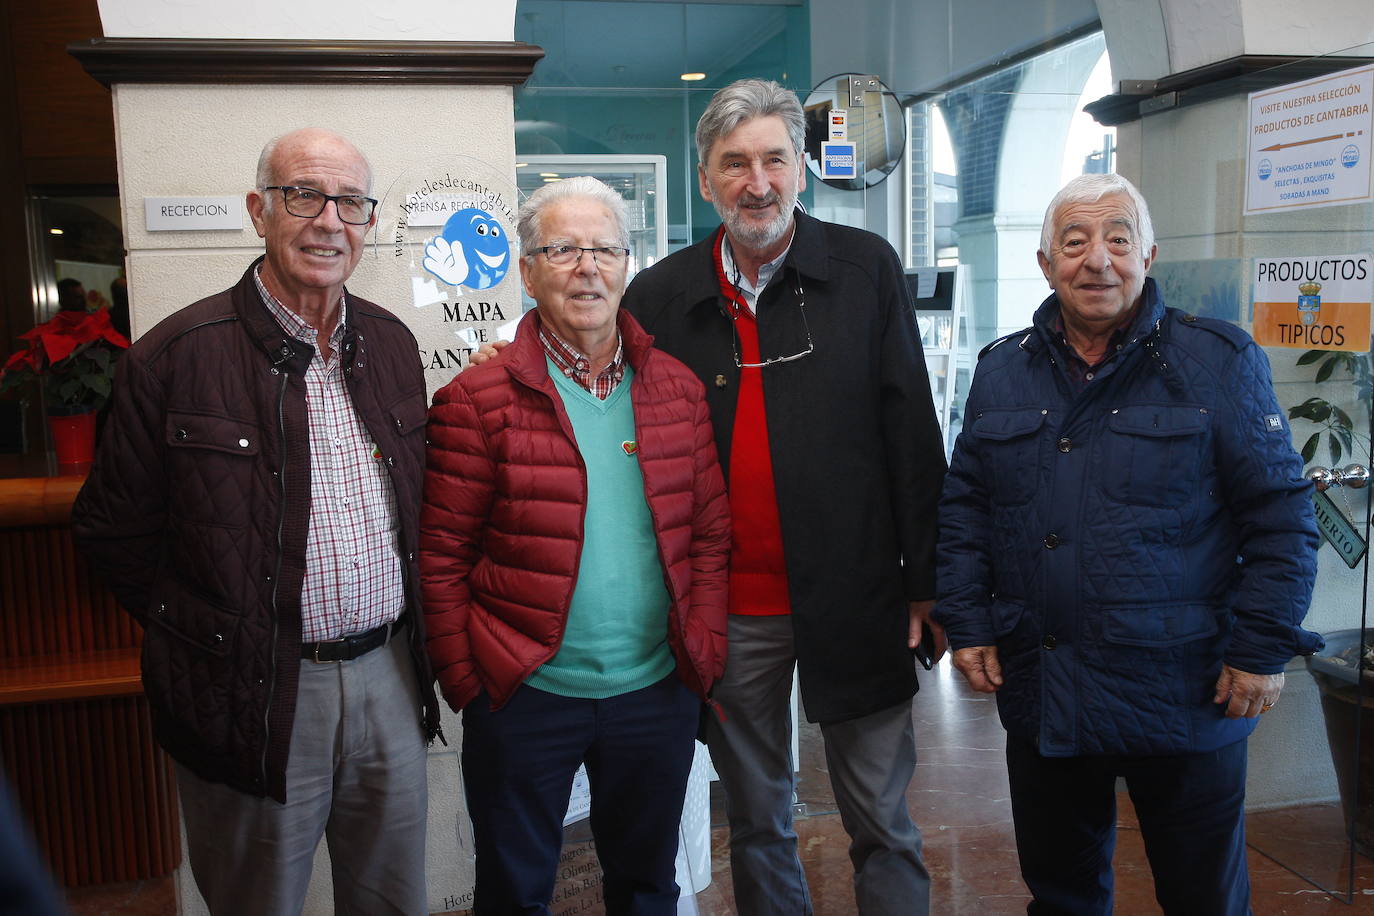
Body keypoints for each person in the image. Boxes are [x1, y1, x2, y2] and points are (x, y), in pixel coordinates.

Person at [71, 127, 442, 916]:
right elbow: (113, 535)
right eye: (304, 195)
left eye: (350, 202)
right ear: (259, 211)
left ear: (368, 221)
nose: (328, 220)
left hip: (390, 675)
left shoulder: (392, 343)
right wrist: (216, 627)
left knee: (393, 900)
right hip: (254, 689)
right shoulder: (173, 358)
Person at [934, 173, 1321, 915]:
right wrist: (969, 621)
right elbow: (967, 510)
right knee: (1061, 893)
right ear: (1045, 263)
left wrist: (1262, 647)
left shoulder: (1218, 363)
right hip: (1047, 685)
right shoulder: (1003, 371)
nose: (1097, 260)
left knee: (1202, 896)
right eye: (1074, 242)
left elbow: (1280, 517)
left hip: (1183, 689)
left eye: (1118, 239)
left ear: (1148, 255)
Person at [622, 79, 946, 915]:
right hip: (730, 609)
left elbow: (913, 430)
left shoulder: (866, 269)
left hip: (858, 595)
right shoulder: (656, 297)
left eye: (773, 158)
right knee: (758, 818)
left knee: (881, 817)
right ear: (705, 180)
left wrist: (928, 584)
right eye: (734, 164)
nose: (755, 182)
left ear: (803, 169)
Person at [421, 175, 731, 914]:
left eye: (603, 249)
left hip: (654, 693)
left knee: (649, 886)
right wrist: (471, 684)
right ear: (527, 272)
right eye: (562, 249)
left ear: (627, 264)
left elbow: (711, 536)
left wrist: (704, 649)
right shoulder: (476, 399)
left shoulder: (677, 390)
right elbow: (440, 559)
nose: (586, 266)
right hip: (526, 696)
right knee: (515, 893)